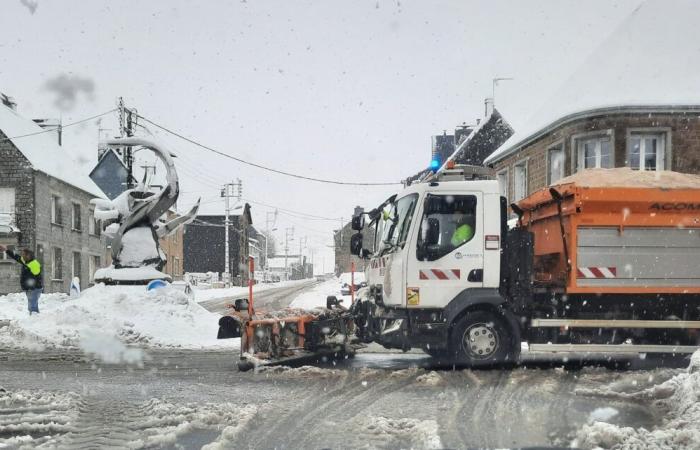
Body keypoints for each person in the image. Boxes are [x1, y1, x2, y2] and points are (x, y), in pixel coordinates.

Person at [0, 245, 43, 315]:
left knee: (32, 307)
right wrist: (6, 250)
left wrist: (30, 288)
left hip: (34, 289)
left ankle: (34, 321)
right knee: (32, 306)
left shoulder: (34, 264)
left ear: (28, 255)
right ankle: (35, 320)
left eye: (23, 255)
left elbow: (36, 278)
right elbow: (16, 257)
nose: (22, 256)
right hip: (31, 289)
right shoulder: (26, 261)